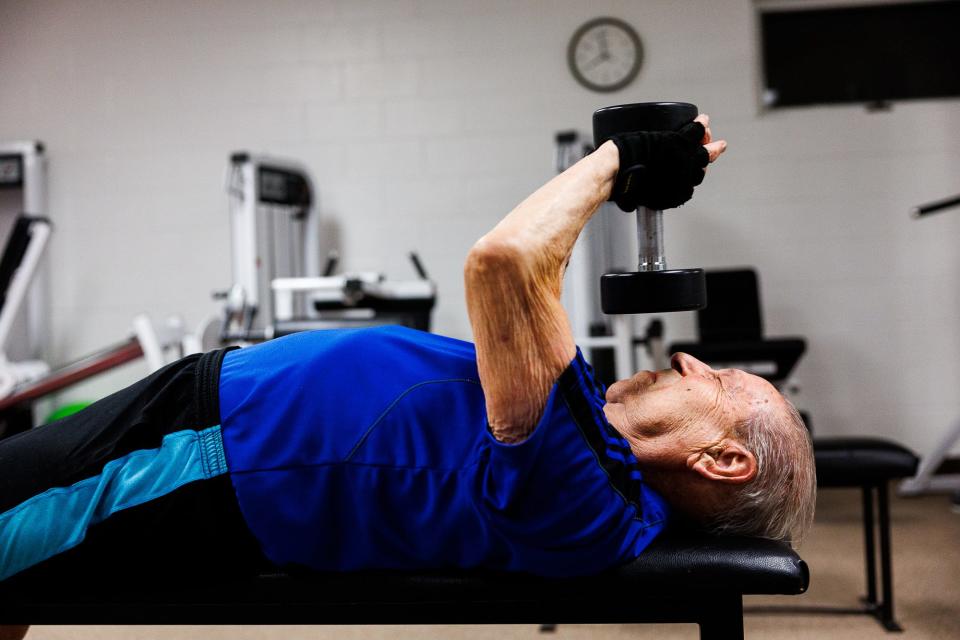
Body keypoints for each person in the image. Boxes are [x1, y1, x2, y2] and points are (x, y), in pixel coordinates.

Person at [0, 114, 815, 593]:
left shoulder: (589, 498)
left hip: (194, 459)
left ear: (721, 462)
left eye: (723, 381)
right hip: (200, 426)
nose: (690, 363)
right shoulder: (598, 459)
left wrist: (622, 160)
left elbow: (501, 265)